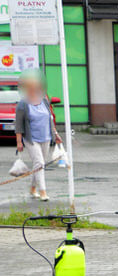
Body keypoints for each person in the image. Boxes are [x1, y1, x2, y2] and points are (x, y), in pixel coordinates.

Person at [14, 71, 62, 202]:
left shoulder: (44, 101)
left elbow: (50, 119)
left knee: (39, 164)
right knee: (39, 163)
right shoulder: (23, 104)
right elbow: (18, 124)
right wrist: (19, 142)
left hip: (46, 137)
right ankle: (43, 192)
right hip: (31, 139)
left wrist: (56, 134)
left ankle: (32, 189)